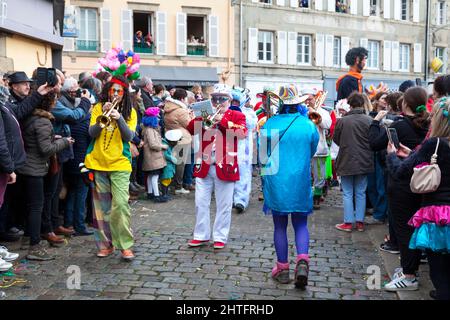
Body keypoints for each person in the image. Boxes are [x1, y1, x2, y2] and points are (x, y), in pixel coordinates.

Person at [386, 96, 450, 299]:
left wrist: (391, 155)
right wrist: (413, 153)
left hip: (439, 213)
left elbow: (400, 172)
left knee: (438, 263)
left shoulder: (435, 144)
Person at [259, 84, 319, 289]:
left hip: (276, 179)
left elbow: (263, 156)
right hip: (299, 179)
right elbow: (312, 150)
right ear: (299, 103)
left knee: (279, 225)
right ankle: (302, 261)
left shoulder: (270, 124)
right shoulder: (308, 125)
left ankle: (282, 268)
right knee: (301, 224)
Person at [371, 87, 430, 291]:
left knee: (403, 230)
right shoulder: (429, 124)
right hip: (422, 184)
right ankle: (408, 268)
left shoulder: (400, 126)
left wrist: (376, 123)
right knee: (413, 227)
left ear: (405, 104)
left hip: (401, 184)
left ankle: (409, 275)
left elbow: (374, 144)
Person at [186, 84, 247, 250]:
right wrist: (198, 116)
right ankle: (201, 235)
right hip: (204, 164)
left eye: (222, 98)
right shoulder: (206, 112)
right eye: (214, 98)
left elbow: (242, 133)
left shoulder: (236, 114)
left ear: (229, 99)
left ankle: (220, 236)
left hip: (226, 164)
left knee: (224, 204)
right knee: (200, 202)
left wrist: (223, 121)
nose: (218, 101)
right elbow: (191, 129)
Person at [84, 75, 137, 261]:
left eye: (119, 91)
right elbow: (91, 133)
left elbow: (129, 136)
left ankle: (125, 245)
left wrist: (120, 118)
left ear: (124, 94)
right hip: (98, 162)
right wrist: (102, 116)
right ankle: (105, 245)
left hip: (120, 164)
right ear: (107, 91)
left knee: (120, 205)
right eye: (112, 90)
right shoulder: (98, 108)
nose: (115, 94)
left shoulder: (131, 112)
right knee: (101, 208)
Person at [19, 91, 74, 260]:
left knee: (32, 206)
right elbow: (46, 149)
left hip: (28, 167)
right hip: (34, 169)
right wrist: (64, 141)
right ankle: (34, 246)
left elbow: (38, 142)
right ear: (48, 103)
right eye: (54, 100)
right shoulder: (43, 121)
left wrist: (52, 138)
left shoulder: (31, 117)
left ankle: (30, 238)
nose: (56, 103)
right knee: (37, 207)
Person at [0, 77, 53, 242]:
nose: (3, 82)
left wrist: (38, 94)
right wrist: (9, 168)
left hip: (14, 164)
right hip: (9, 165)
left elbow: (20, 110)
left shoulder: (5, 105)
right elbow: (1, 142)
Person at [333, 92, 374, 232]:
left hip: (346, 159)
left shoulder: (343, 121)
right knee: (361, 192)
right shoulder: (369, 120)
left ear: (349, 104)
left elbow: (336, 139)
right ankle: (360, 222)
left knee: (348, 192)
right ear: (363, 103)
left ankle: (348, 222)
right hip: (364, 160)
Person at [304, 89, 332, 210]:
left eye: (309, 99)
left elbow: (327, 125)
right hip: (304, 147)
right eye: (305, 99)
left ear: (315, 98)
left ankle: (317, 197)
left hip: (319, 148)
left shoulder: (323, 112)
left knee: (319, 174)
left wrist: (314, 113)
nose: (307, 101)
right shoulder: (301, 111)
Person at [232, 88, 257, 214]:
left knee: (243, 174)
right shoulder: (226, 110)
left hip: (244, 150)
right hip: (228, 148)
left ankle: (241, 200)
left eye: (237, 101)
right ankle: (231, 197)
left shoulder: (249, 112)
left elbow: (251, 124)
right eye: (233, 101)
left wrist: (237, 113)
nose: (234, 103)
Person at [164, 89, 194, 194]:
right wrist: (191, 116)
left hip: (171, 136)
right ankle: (178, 187)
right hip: (182, 138)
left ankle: (173, 185)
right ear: (182, 98)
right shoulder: (181, 110)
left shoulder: (169, 107)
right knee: (180, 164)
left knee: (174, 163)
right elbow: (189, 125)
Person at [142, 107, 168, 203]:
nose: (158, 119)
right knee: (155, 176)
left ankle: (150, 193)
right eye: (156, 117)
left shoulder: (149, 129)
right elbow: (153, 144)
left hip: (152, 157)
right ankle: (156, 195)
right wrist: (163, 146)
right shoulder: (150, 130)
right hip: (153, 156)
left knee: (150, 175)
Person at [160, 130, 183, 200]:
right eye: (176, 141)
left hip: (170, 166)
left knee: (168, 180)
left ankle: (166, 194)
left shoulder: (169, 144)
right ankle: (164, 194)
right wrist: (174, 159)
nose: (177, 143)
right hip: (166, 165)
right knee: (165, 180)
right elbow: (166, 155)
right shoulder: (165, 144)